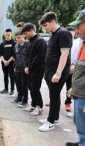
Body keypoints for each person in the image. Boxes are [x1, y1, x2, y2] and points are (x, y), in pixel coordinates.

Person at [38, 12, 72, 132]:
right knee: (54, 95)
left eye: (46, 25)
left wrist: (58, 73)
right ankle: (55, 119)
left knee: (54, 95)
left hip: (57, 71)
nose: (44, 28)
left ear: (53, 21)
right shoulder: (54, 33)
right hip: (50, 69)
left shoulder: (63, 33)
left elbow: (65, 54)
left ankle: (51, 122)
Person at [66, 9, 85, 146]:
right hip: (80, 93)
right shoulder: (82, 44)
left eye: (78, 27)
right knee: (79, 123)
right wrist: (74, 88)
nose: (76, 31)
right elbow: (80, 70)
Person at [21, 23, 47, 116]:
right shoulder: (29, 42)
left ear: (32, 30)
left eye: (26, 33)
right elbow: (26, 56)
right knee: (31, 88)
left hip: (38, 69)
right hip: (29, 69)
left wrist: (29, 67)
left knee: (35, 88)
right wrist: (26, 67)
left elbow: (39, 57)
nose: (25, 36)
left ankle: (39, 107)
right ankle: (33, 105)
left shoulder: (40, 41)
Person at [11, 31, 28, 108]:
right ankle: (19, 98)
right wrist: (15, 66)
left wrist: (27, 67)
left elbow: (29, 58)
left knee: (24, 85)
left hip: (24, 69)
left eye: (19, 37)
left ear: (23, 36)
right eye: (16, 37)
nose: (17, 39)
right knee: (18, 85)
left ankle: (25, 101)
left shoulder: (28, 45)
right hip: (17, 68)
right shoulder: (16, 46)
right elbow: (16, 57)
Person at [0, 28, 15, 95]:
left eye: (9, 35)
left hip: (11, 63)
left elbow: (14, 54)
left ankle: (12, 90)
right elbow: (0, 53)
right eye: (6, 35)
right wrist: (4, 61)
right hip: (4, 63)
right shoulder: (2, 44)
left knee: (11, 76)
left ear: (11, 34)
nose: (7, 36)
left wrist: (8, 61)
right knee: (5, 76)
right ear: (5, 35)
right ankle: (6, 89)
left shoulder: (14, 43)